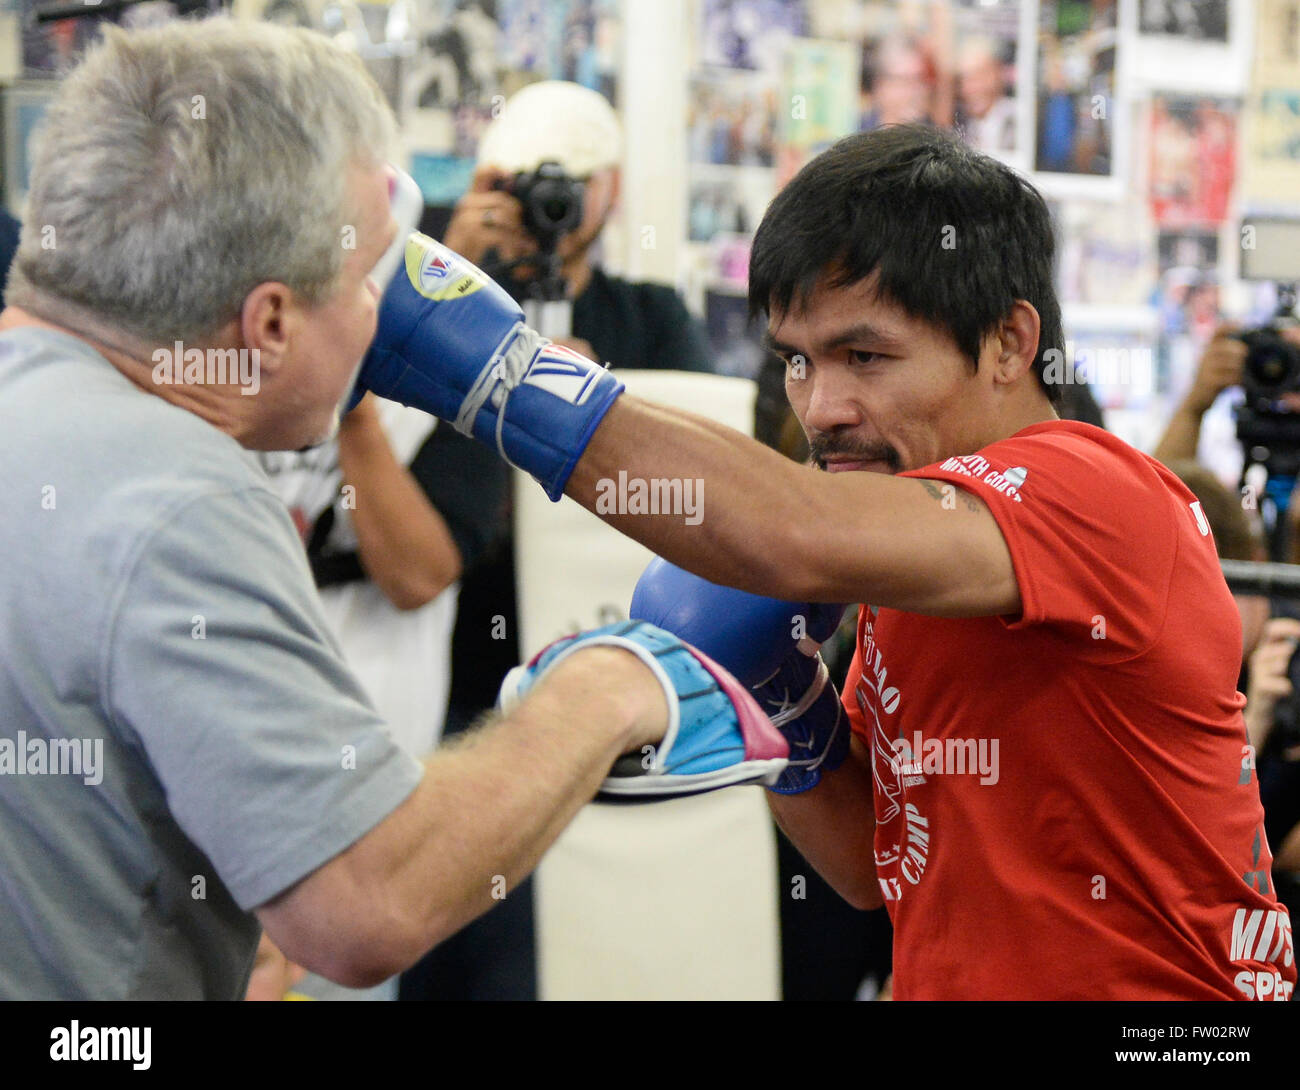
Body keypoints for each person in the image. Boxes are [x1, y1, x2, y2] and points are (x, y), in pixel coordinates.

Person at [361, 123, 1297, 999]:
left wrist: (488, 366)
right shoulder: (922, 551)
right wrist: (778, 699)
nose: (822, 407)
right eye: (801, 360)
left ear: (1011, 342)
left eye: (865, 355)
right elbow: (870, 866)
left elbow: (788, 530)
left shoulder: (1088, 491)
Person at [0, 18, 765, 1000]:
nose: (390, 309)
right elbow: (367, 905)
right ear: (270, 319)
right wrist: (613, 680)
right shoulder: (176, 494)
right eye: (371, 275)